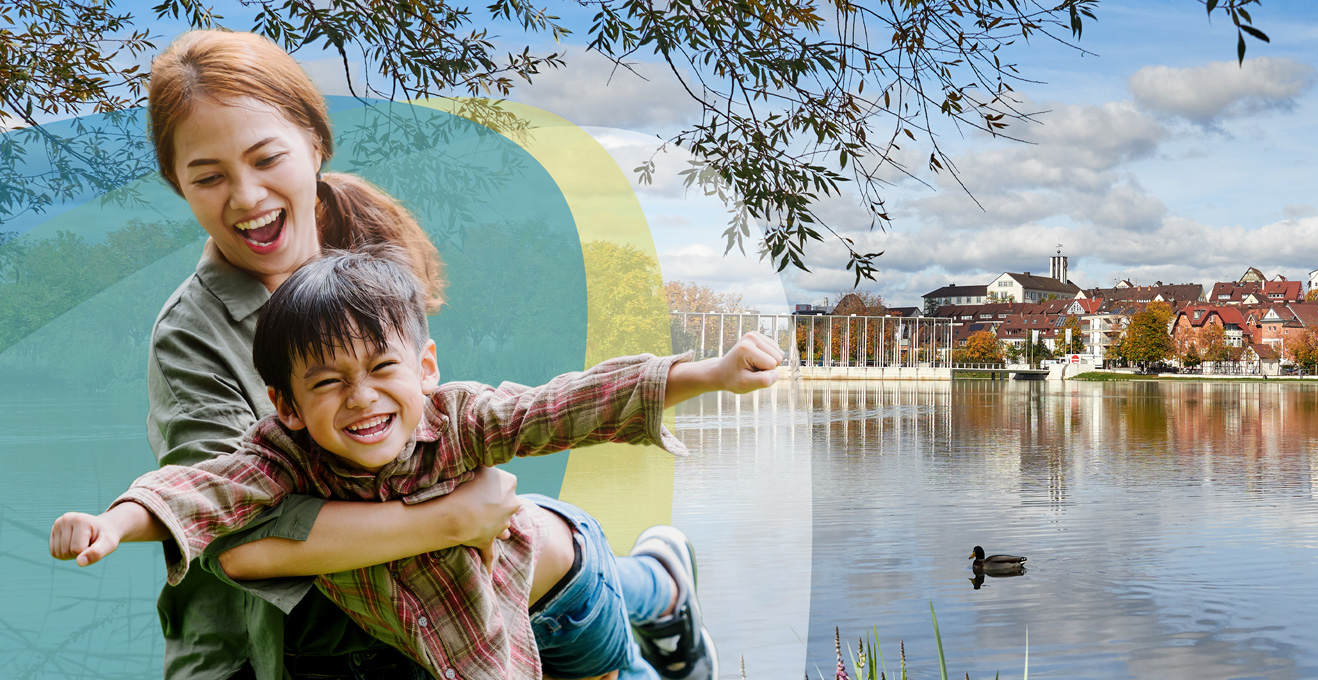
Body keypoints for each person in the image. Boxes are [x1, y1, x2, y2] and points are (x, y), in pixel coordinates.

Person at [137, 29, 703, 680]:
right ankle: (660, 592)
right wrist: (454, 520)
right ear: (178, 184)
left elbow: (437, 431)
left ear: (315, 143)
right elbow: (242, 536)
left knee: (552, 542)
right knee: (538, 543)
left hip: (419, 589)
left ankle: (657, 596)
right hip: (284, 641)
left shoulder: (366, 252)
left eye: (267, 159)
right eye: (208, 177)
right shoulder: (190, 335)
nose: (246, 197)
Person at [54, 249, 783, 680]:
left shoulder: (460, 419)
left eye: (381, 368)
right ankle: (663, 583)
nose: (361, 399)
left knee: (626, 620)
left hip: (561, 601)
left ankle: (663, 585)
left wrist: (710, 373)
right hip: (482, 636)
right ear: (287, 404)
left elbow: (569, 404)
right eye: (328, 382)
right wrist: (112, 524)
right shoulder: (282, 458)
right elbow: (202, 491)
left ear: (427, 366)